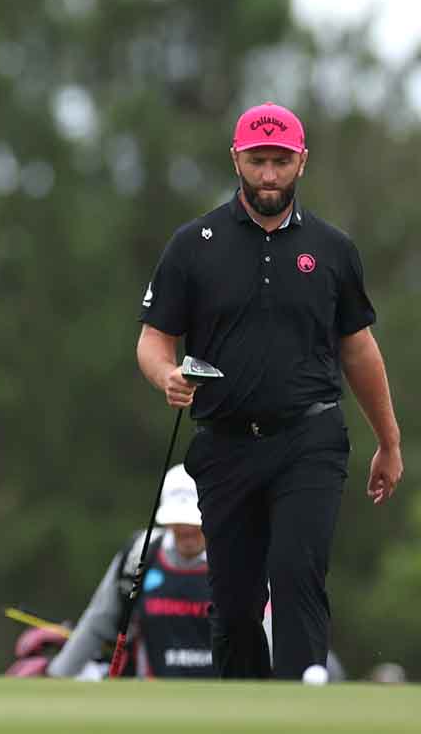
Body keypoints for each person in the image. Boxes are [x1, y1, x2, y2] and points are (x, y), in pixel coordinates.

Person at [136, 102, 403, 680]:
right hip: (226, 446)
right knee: (233, 604)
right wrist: (167, 376)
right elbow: (154, 340)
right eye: (258, 161)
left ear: (301, 162)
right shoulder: (194, 244)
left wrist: (389, 440)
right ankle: (246, 710)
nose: (268, 175)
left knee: (295, 573)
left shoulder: (333, 250)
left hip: (310, 437)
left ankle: (302, 703)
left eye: (281, 161)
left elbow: (358, 349)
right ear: (237, 159)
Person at [47, 465, 212, 679]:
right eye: (179, 520)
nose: (186, 530)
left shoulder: (239, 561)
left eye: (193, 522)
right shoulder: (139, 554)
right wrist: (55, 677)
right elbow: (97, 625)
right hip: (147, 700)